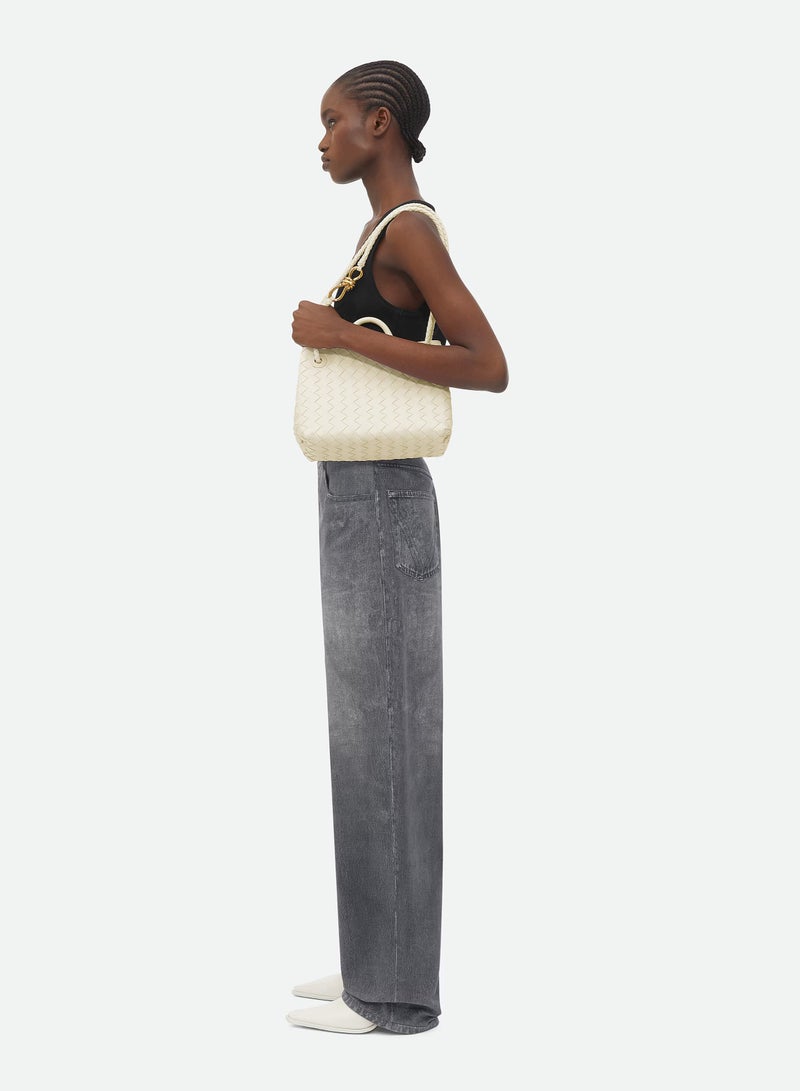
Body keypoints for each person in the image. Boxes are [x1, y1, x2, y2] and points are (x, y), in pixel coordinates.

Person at [286, 59, 508, 1036]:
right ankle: (370, 957)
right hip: (355, 490)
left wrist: (341, 336)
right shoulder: (380, 229)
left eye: (332, 120)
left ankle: (393, 994)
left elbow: (487, 363)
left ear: (379, 124)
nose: (321, 139)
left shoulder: (409, 228)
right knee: (362, 735)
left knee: (388, 737)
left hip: (382, 494)